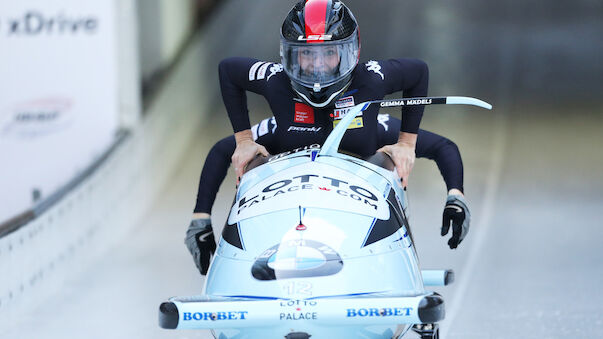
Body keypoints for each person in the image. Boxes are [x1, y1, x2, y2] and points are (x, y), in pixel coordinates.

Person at [185, 0, 470, 275]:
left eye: (328, 53)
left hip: (355, 215)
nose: (317, 64)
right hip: (289, 213)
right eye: (306, 54)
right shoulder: (277, 84)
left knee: (388, 158)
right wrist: (242, 143)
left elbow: (425, 93)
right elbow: (228, 76)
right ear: (290, 55)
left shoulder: (370, 83)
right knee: (249, 159)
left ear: (349, 52)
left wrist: (412, 149)